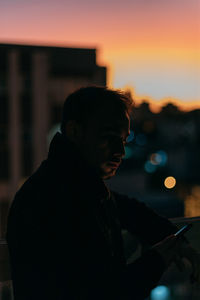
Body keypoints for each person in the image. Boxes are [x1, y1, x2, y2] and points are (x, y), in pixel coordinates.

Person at [6, 86, 200, 300]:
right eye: (109, 137)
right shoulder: (58, 198)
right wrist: (158, 258)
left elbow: (128, 210)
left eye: (124, 140)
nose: (121, 151)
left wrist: (172, 239)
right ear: (75, 131)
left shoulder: (69, 186)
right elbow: (106, 292)